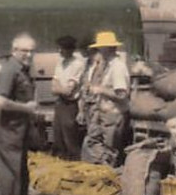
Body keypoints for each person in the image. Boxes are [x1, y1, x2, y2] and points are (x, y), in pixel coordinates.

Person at [0, 34, 39, 195]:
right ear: (14, 50)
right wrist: (27, 108)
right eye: (24, 51)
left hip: (17, 131)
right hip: (5, 132)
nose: (29, 55)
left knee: (21, 174)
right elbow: (0, 101)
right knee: (10, 176)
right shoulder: (10, 70)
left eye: (32, 51)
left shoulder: (22, 70)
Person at [80, 30, 132, 167]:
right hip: (103, 112)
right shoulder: (108, 65)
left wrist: (100, 90)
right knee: (92, 141)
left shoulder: (118, 67)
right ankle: (101, 168)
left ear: (107, 48)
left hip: (113, 115)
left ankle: (109, 175)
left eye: (100, 47)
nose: (99, 50)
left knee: (110, 149)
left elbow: (122, 94)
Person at [49, 35, 85, 160]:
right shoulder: (61, 64)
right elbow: (54, 86)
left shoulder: (77, 64)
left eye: (62, 48)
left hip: (70, 105)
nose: (59, 51)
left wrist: (59, 89)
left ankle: (74, 162)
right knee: (58, 135)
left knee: (69, 136)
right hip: (60, 103)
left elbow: (69, 91)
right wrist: (59, 89)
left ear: (70, 49)